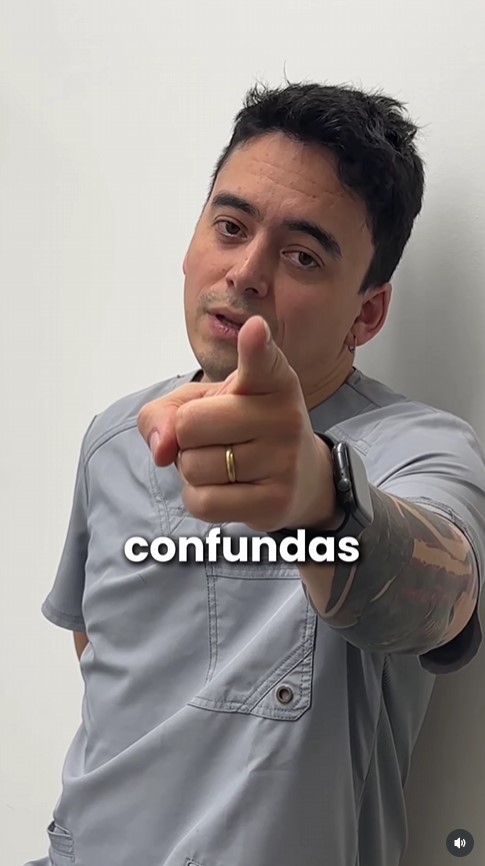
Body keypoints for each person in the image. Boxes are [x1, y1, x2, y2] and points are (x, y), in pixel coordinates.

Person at [25, 80, 485, 866]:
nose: (244, 272)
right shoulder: (117, 437)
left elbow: (441, 603)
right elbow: (100, 661)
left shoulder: (418, 450)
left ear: (366, 314)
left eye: (302, 255)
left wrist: (321, 499)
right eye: (230, 226)